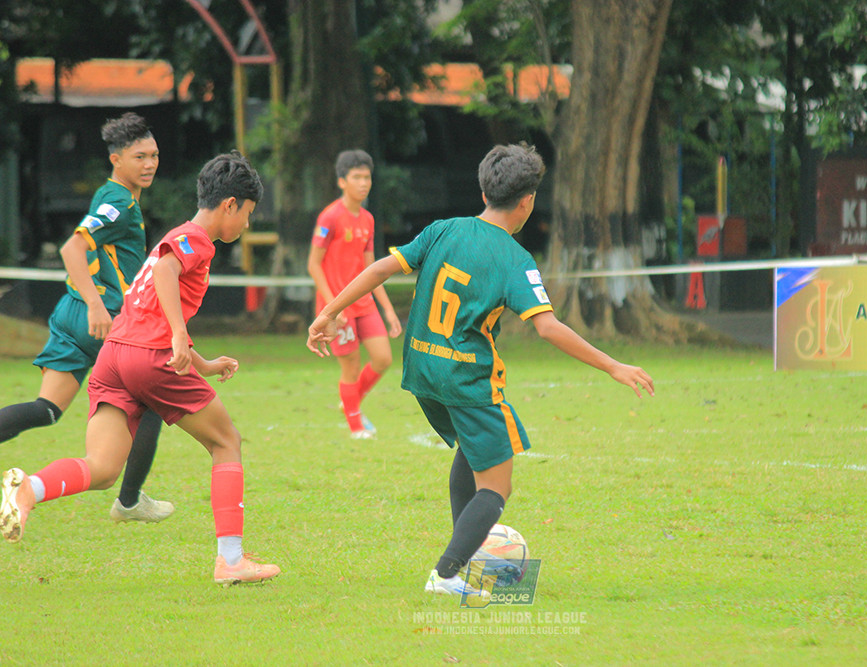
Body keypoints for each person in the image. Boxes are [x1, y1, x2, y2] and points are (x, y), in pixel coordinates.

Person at [306, 143, 654, 596]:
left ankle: (463, 561)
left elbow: (378, 270)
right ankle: (446, 574)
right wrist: (612, 365)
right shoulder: (514, 259)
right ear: (527, 201)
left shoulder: (443, 229)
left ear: (484, 188)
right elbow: (547, 327)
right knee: (498, 484)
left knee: (471, 456)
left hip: (422, 369)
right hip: (466, 377)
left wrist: (328, 312)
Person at [1, 151, 280, 585]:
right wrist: (173, 334)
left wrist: (202, 363)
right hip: (150, 356)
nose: (246, 225)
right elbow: (168, 274)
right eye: (247, 214)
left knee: (103, 467)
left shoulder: (177, 236)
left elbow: (151, 302)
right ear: (229, 205)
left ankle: (27, 490)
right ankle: (231, 560)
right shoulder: (196, 238)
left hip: (115, 355)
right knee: (227, 443)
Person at [0, 112, 172, 524]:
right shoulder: (119, 203)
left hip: (70, 313)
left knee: (47, 409)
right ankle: (129, 501)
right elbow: (71, 250)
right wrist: (98, 305)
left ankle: (128, 499)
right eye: (139, 157)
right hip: (105, 319)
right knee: (151, 404)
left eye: (154, 155)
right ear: (116, 160)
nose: (149, 164)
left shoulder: (110, 194)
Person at [307, 149, 402, 439]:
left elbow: (373, 268)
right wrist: (332, 310)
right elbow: (313, 264)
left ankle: (350, 404)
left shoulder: (368, 220)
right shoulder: (330, 217)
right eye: (356, 177)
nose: (363, 183)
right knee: (351, 367)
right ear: (342, 181)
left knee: (383, 358)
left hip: (365, 303)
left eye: (367, 177)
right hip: (337, 308)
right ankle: (356, 426)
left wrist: (387, 310)